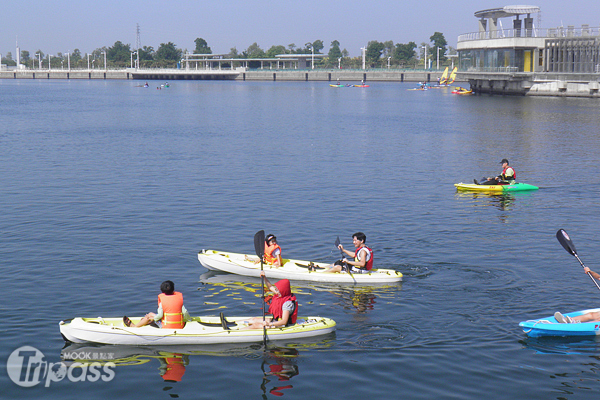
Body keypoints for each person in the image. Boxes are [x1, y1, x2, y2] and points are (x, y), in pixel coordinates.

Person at [123, 280, 190, 328]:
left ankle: (135, 326)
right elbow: (185, 312)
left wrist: (153, 319)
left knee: (149, 317)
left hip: (166, 326)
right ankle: (145, 320)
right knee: (151, 314)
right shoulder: (178, 300)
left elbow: (160, 315)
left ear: (162, 291)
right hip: (179, 325)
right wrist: (187, 320)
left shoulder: (163, 301)